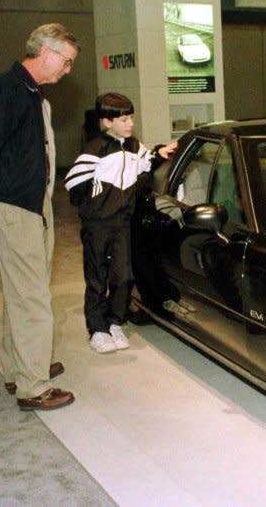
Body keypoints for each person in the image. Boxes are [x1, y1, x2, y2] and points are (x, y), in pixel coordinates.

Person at [0, 23, 78, 410]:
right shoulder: (3, 91)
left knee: (24, 290)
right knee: (32, 296)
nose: (68, 70)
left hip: (33, 202)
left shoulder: (31, 93)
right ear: (45, 51)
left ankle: (22, 365)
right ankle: (33, 385)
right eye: (66, 61)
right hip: (13, 205)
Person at [64, 92, 177, 353]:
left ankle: (115, 321)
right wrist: (94, 203)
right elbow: (73, 182)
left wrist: (161, 152)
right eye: (123, 119)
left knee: (123, 276)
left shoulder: (134, 145)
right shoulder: (95, 149)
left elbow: (146, 162)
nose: (129, 124)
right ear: (107, 122)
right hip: (97, 225)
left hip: (122, 223)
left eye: (131, 118)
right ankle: (97, 329)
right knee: (96, 277)